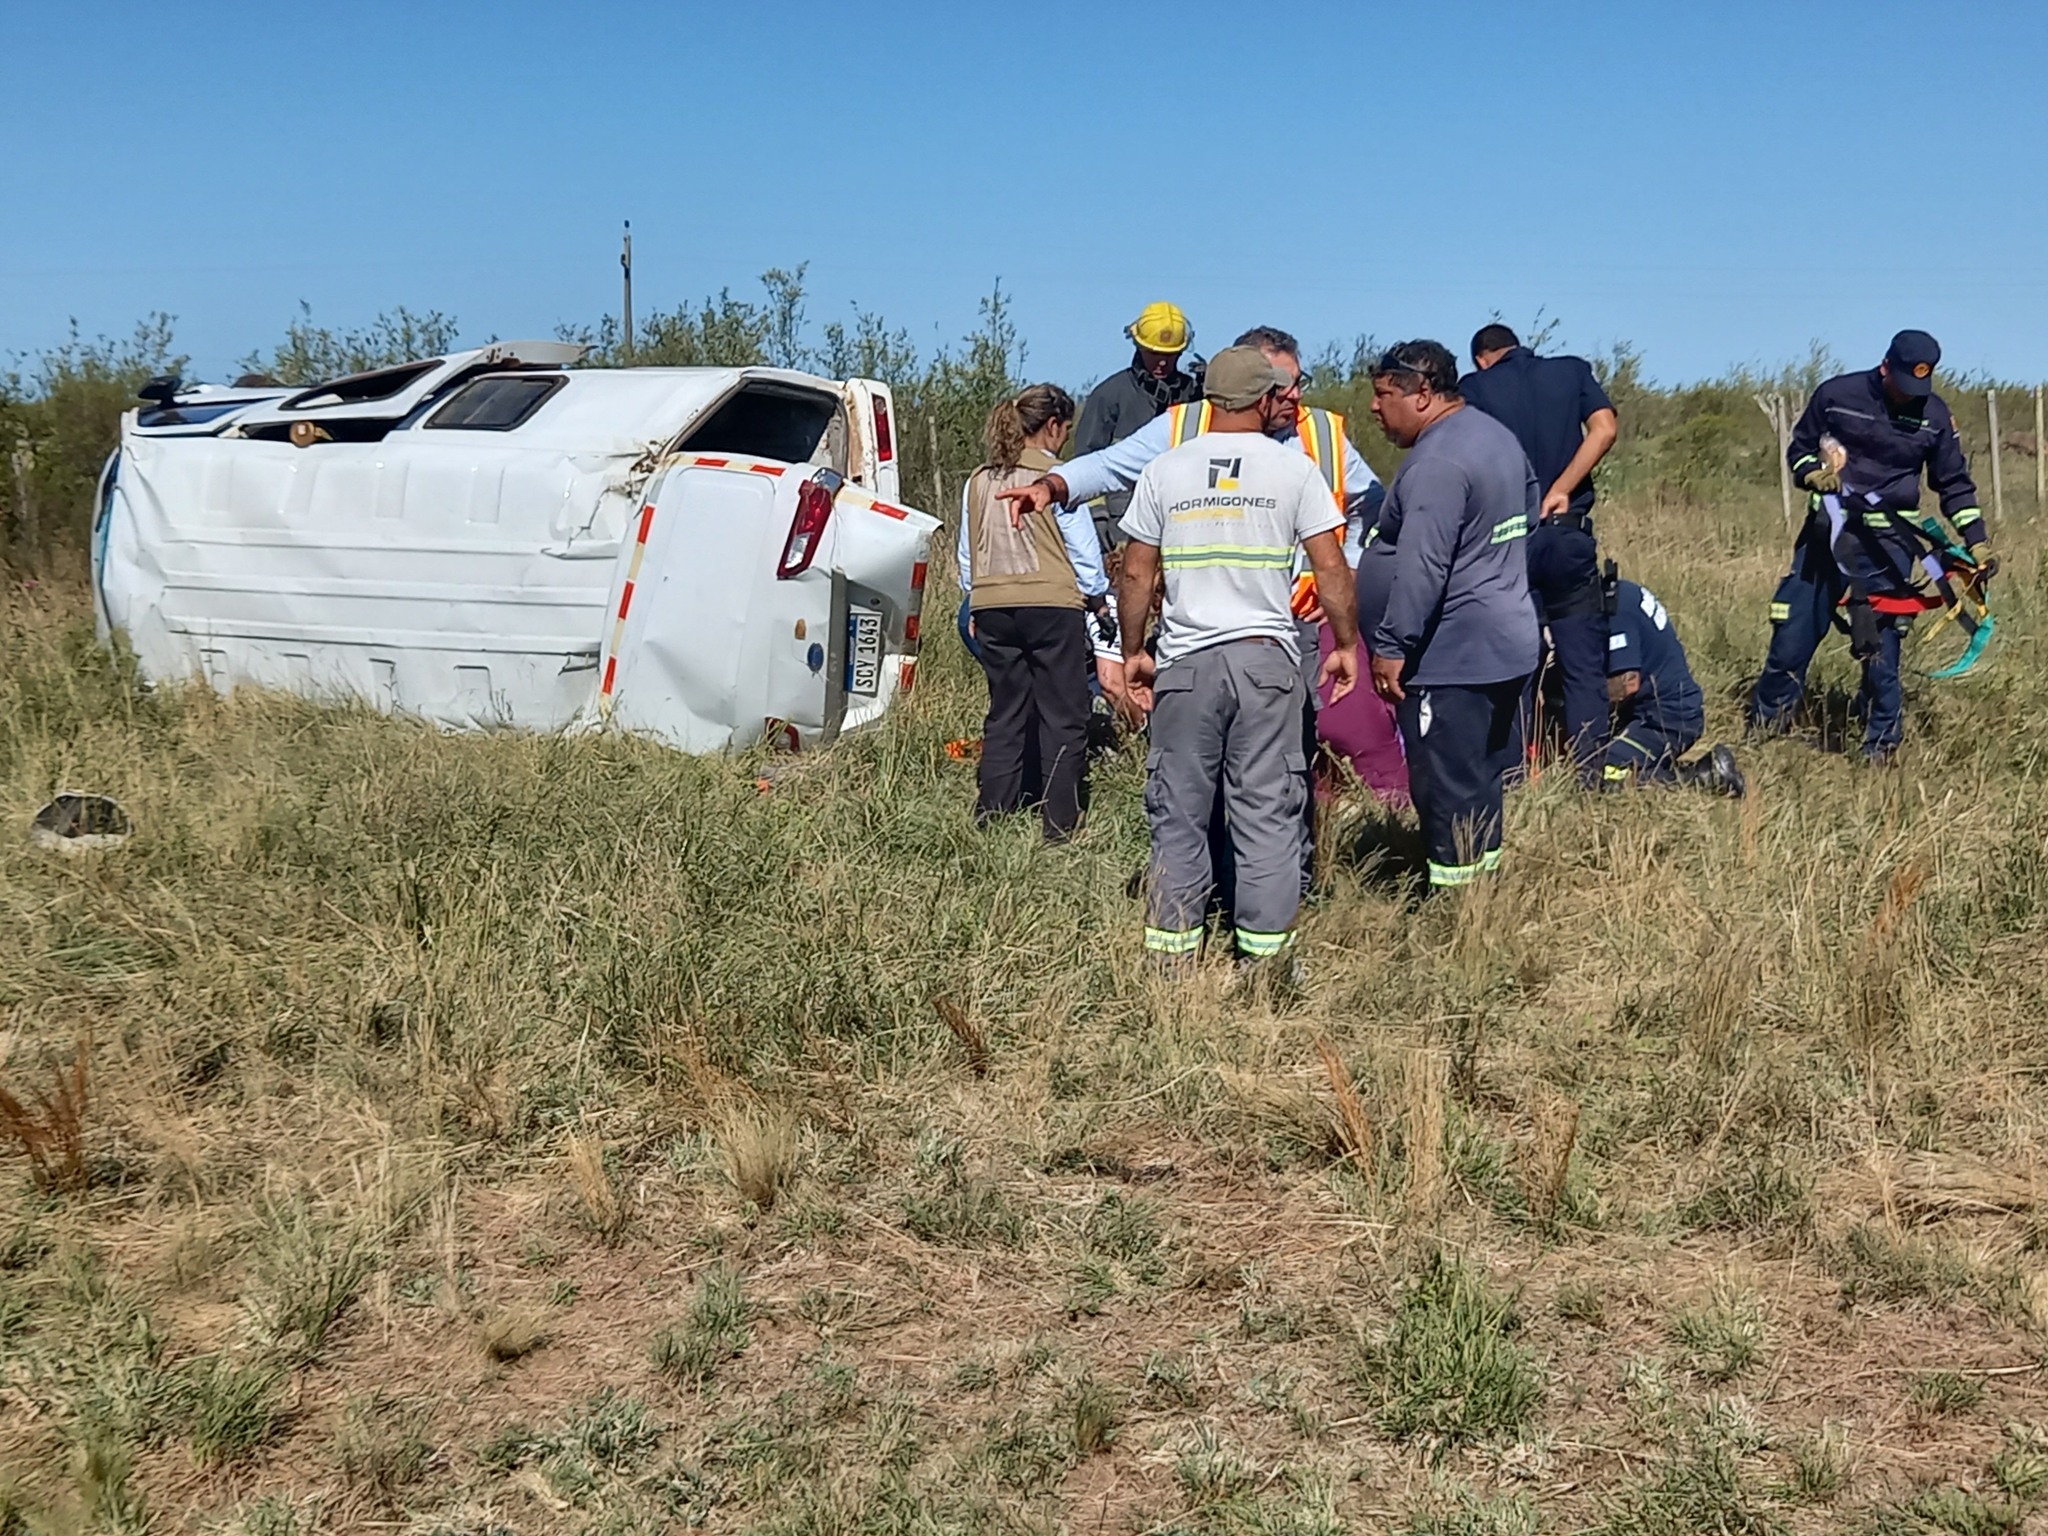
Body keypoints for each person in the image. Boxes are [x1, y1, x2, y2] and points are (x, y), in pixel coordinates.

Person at [1001, 326, 1403, 818]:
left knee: (1294, 754)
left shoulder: (1320, 434)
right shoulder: (1185, 427)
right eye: (1283, 383)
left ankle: (1294, 864)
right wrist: (1054, 485)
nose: (1295, 395)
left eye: (1301, 381)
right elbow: (1109, 467)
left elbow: (1374, 504)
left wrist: (1354, 565)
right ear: (1248, 383)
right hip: (1197, 630)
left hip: (1292, 627)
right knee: (1209, 767)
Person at [1116, 346, 1360, 970]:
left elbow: (1137, 571)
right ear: (1261, 399)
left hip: (1187, 663)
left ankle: (1171, 959)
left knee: (1179, 809)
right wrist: (1347, 644)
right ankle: (1266, 963)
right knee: (1268, 812)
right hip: (1267, 662)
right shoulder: (1293, 470)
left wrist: (1135, 650)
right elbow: (1330, 566)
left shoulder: (1166, 471)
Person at [1747, 330, 1993, 762]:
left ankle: (1880, 746)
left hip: (1890, 547)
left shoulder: (1934, 416)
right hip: (1827, 539)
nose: (1910, 395)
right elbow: (1799, 452)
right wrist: (1812, 475)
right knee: (1792, 634)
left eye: (1921, 385)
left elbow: (1953, 484)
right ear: (1885, 368)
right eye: (1903, 384)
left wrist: (1978, 543)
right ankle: (1765, 730)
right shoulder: (1836, 395)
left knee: (1882, 651)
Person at [1364, 341, 1541, 891]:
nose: (1374, 408)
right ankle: (1483, 887)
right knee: (1481, 777)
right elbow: (1529, 512)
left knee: (1447, 788)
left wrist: (1393, 644)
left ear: (1421, 393)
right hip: (1505, 641)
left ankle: (1458, 911)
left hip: (1454, 658)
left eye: (1383, 394)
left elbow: (1423, 564)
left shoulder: (1438, 462)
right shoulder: (1494, 436)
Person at [1460, 324, 1619, 785]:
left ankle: (1512, 777)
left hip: (1510, 544)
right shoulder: (1571, 372)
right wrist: (1562, 489)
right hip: (1569, 537)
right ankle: (1590, 775)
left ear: (1481, 359)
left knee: (1515, 664)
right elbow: (1605, 429)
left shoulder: (1475, 389)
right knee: (1583, 664)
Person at [957, 385, 1113, 840]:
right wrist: (1098, 597)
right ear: (1051, 426)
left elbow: (970, 549)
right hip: (1050, 605)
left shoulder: (979, 480)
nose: (1064, 438)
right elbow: (1083, 548)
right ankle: (1059, 823)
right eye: (1064, 429)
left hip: (992, 604)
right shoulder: (1057, 476)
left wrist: (973, 596)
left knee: (1006, 711)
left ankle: (993, 815)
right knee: (1063, 713)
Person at [1073, 302, 1204, 547]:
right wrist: (1097, 517)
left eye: (1170, 355)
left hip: (1185, 521)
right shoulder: (1109, 396)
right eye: (1154, 354)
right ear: (1137, 345)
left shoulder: (1196, 395)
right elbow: (1085, 461)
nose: (1162, 363)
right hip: (1123, 525)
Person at [1603, 577, 1745, 795]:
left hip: (1665, 719)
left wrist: (1582, 702)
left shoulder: (1615, 611)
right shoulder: (1621, 591)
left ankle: (1707, 777)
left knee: (1606, 771)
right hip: (1658, 710)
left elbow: (1627, 684)